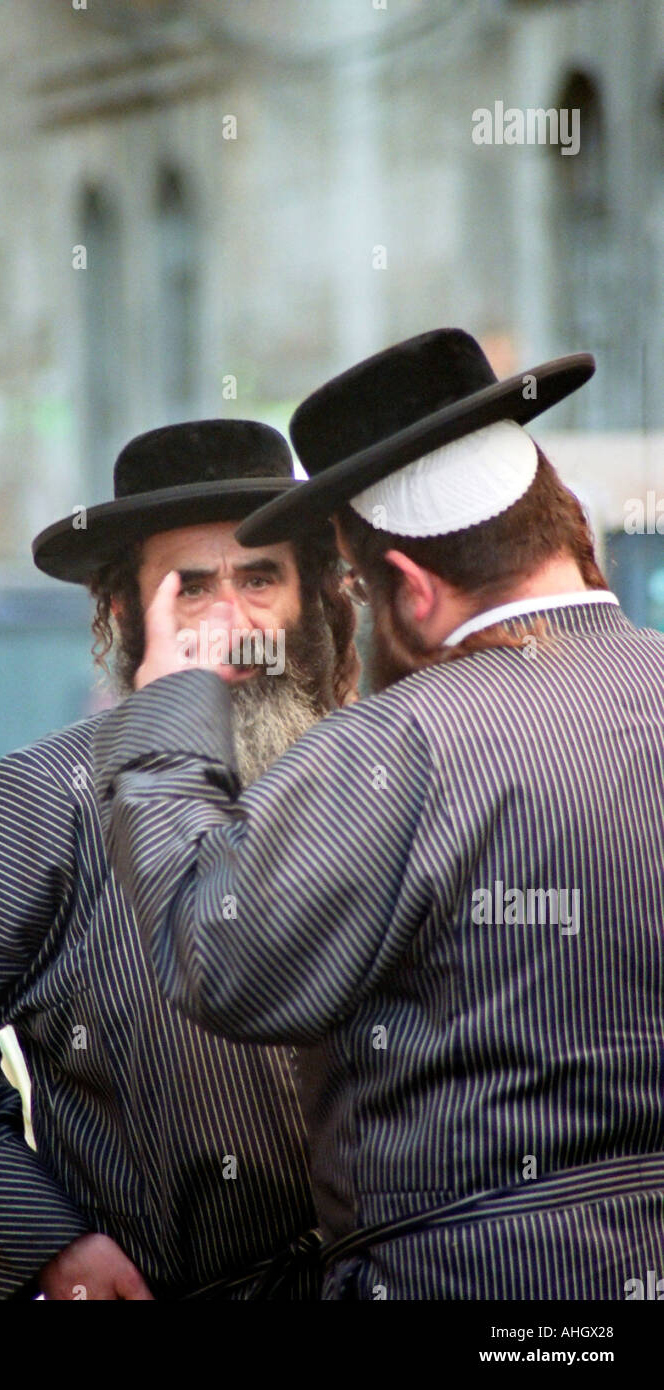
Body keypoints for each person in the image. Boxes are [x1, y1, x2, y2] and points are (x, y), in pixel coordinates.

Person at [92, 329, 664, 1300]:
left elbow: (218, 959)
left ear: (406, 587)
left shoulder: (399, 748)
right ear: (558, 526)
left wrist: (164, 719)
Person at [0, 418, 359, 1300]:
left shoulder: (375, 770)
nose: (231, 621)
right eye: (191, 589)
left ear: (310, 594)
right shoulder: (45, 797)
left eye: (260, 578)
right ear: (125, 611)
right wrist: (47, 1245)